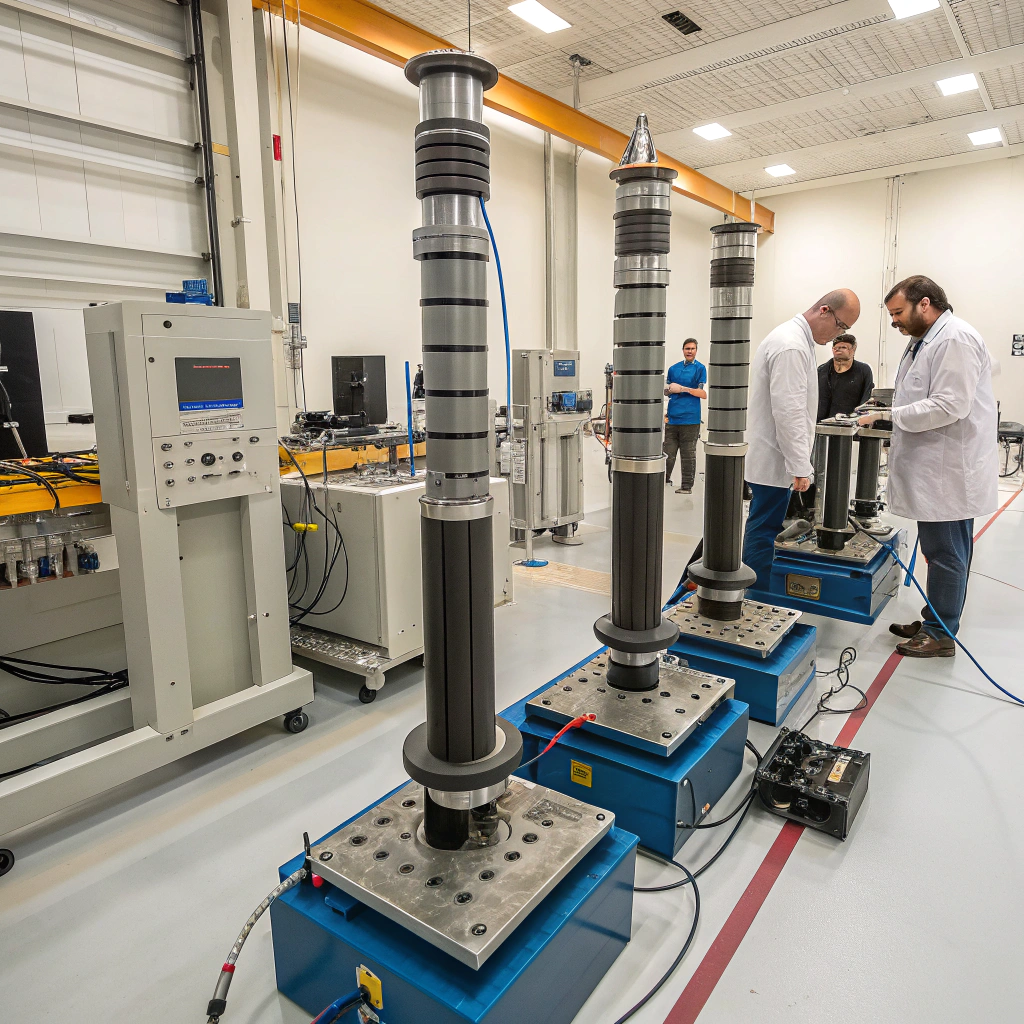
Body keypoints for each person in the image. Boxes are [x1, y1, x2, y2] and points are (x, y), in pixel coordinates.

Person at [859, 275, 997, 659]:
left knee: (947, 553)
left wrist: (889, 416)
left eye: (898, 312)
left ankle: (941, 633)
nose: (894, 321)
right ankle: (935, 618)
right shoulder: (925, 340)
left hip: (949, 470)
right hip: (934, 468)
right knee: (938, 550)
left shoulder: (955, 339)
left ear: (924, 304)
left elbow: (950, 404)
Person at [743, 289, 862, 589]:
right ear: (824, 311)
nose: (838, 335)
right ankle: (755, 596)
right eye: (840, 326)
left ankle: (754, 590)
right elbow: (789, 411)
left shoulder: (796, 340)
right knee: (764, 529)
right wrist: (800, 466)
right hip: (774, 458)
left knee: (765, 525)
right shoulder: (791, 345)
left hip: (774, 456)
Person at [664, 338, 707, 494]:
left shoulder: (700, 369)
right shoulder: (673, 369)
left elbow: (702, 394)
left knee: (688, 455)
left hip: (690, 420)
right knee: (667, 454)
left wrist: (682, 388)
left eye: (692, 348)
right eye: (687, 348)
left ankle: (686, 487)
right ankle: (663, 481)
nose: (690, 351)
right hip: (672, 418)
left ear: (696, 351)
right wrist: (668, 390)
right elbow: (666, 391)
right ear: (683, 350)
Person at [818, 334, 874, 420]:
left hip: (851, 423)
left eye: (843, 347)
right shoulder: (821, 371)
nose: (838, 350)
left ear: (853, 349)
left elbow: (866, 399)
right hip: (821, 423)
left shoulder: (863, 370)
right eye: (836, 348)